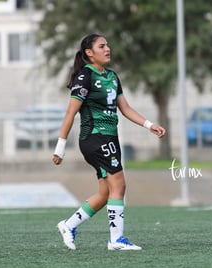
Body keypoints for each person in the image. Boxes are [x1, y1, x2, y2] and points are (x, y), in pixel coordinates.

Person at [52, 33, 166, 250]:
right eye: (101, 46)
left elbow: (125, 109)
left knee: (106, 193)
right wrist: (60, 148)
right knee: (119, 185)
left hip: (110, 138)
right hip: (95, 137)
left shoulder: (112, 76)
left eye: (108, 45)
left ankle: (68, 225)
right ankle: (116, 240)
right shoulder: (85, 77)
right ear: (89, 52)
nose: (107, 49)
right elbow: (70, 114)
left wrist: (149, 124)